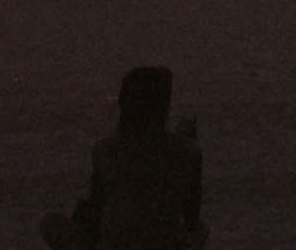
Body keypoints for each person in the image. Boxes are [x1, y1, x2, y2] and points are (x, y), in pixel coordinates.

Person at [39, 66, 203, 250]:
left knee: (51, 222)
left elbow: (97, 207)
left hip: (115, 244)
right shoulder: (188, 152)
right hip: (166, 243)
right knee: (201, 231)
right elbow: (191, 217)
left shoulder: (106, 150)